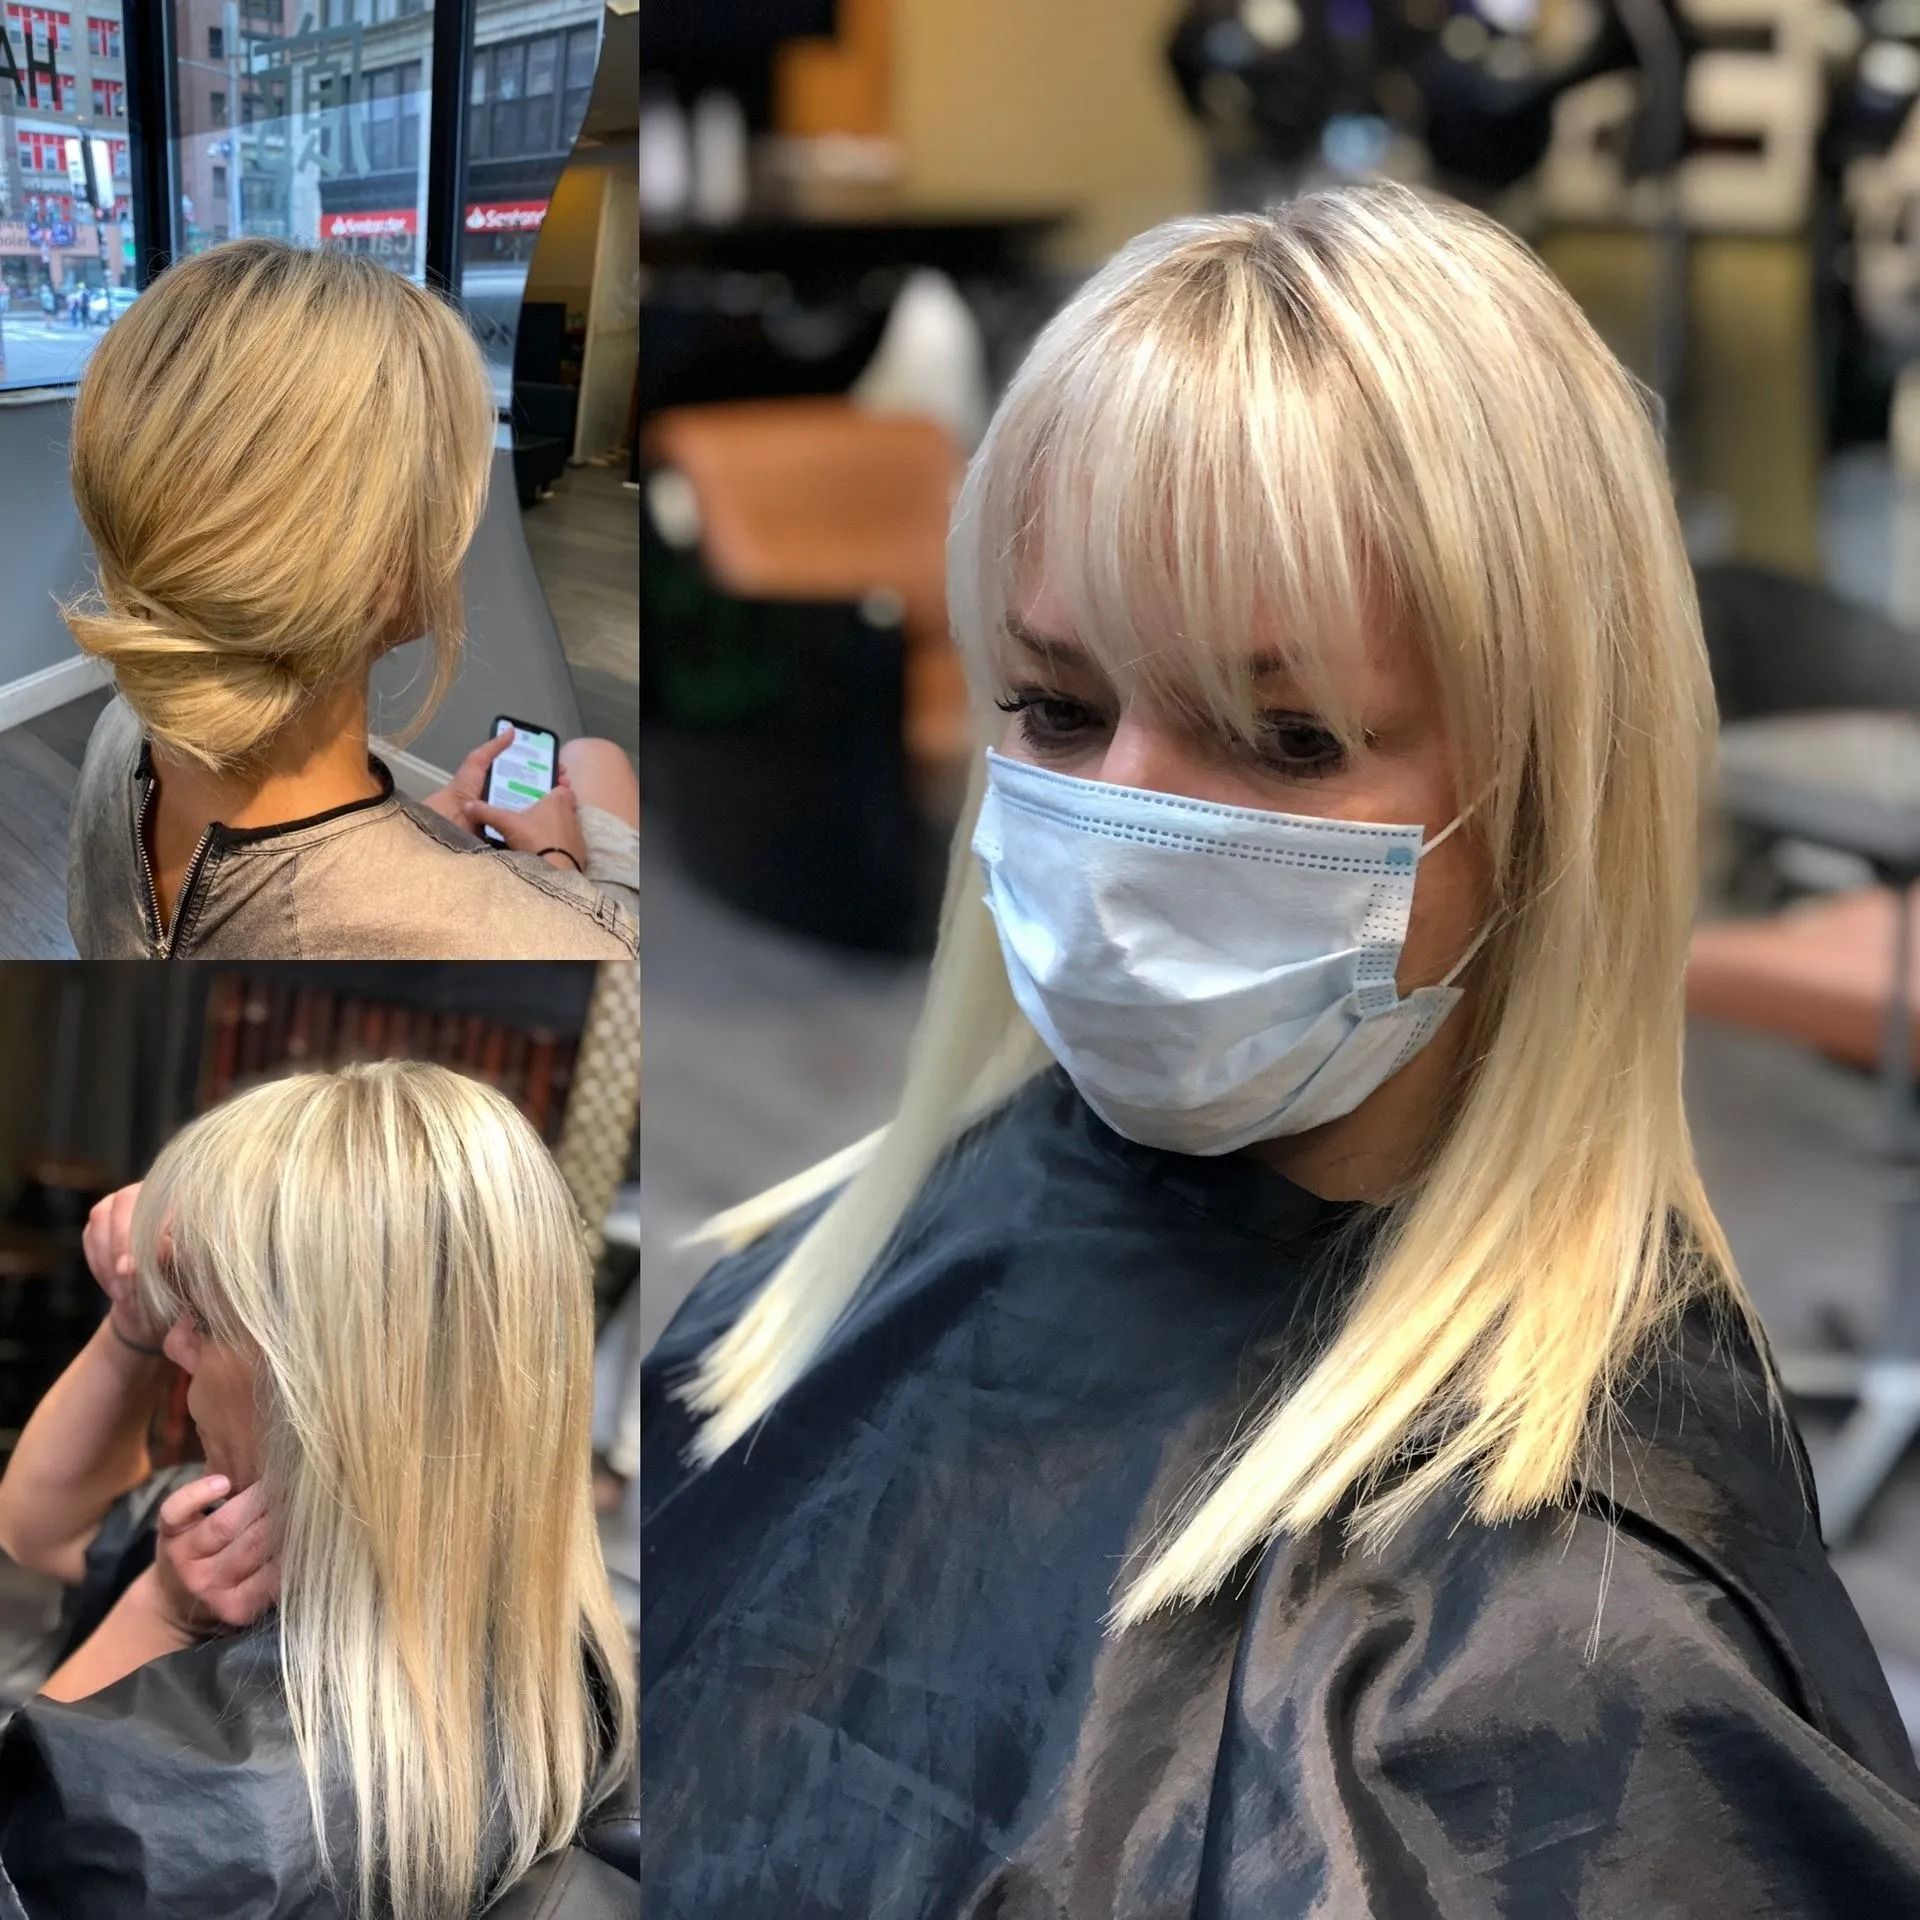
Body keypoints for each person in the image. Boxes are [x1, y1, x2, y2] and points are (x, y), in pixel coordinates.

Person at [640, 183, 1920, 1915]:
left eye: (1285, 738)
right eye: (1058, 708)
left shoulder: (1599, 1663)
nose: (1123, 831)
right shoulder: (824, 1275)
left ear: (1548, 799)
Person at [0, 1062, 637, 1918]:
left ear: (321, 1385)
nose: (178, 1347)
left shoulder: (141, 1814)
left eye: (205, 1319)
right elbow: (43, 1528)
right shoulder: (604, 1637)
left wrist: (152, 1612)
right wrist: (134, 1325)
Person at [61, 238, 639, 959]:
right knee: (597, 759)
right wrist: (558, 866)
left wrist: (427, 824)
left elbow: (248, 892)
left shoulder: (118, 730)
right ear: (378, 559)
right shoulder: (569, 945)